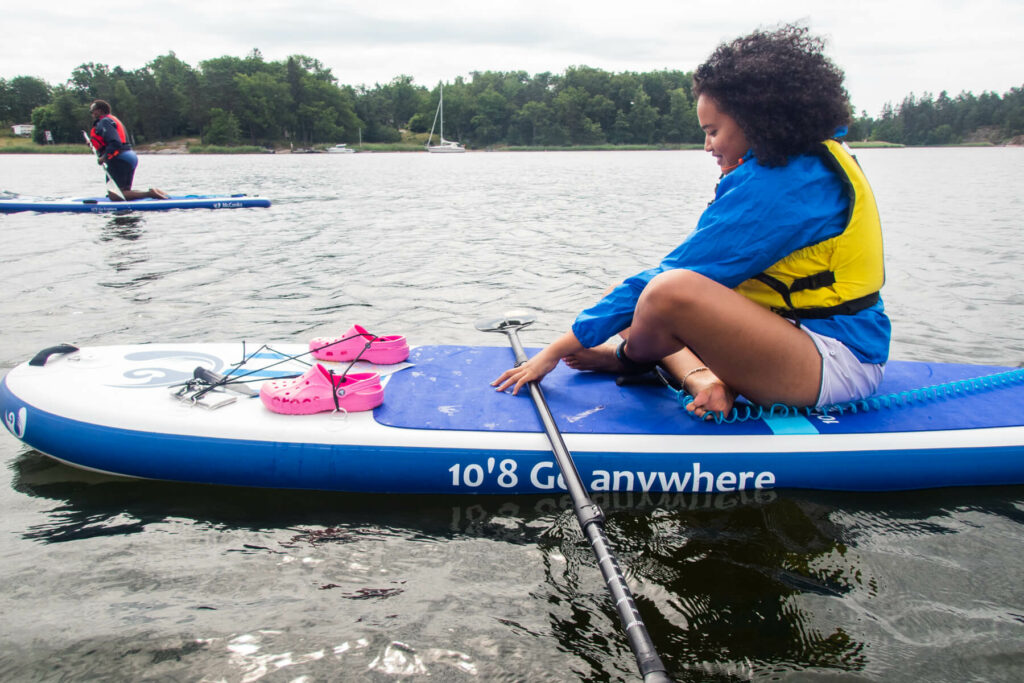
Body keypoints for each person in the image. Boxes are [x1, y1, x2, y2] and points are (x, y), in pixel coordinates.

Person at [493, 24, 891, 419]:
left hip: (835, 363)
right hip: (788, 338)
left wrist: (554, 351)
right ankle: (702, 380)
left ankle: (631, 359)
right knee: (636, 297)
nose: (707, 146)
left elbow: (677, 278)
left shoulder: (792, 185)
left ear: (758, 122)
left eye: (713, 131)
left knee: (666, 293)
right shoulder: (795, 166)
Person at [88, 100, 169, 201]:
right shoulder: (112, 120)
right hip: (129, 157)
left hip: (119, 159)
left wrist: (104, 158)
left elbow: (115, 142)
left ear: (99, 111)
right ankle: (156, 192)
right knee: (124, 191)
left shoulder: (104, 122)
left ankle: (150, 194)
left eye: (92, 111)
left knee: (114, 195)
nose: (91, 114)